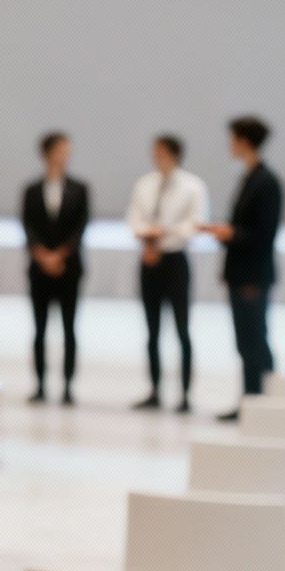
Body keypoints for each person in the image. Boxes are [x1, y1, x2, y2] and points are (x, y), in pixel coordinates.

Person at [201, 116, 285, 421]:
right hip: (242, 273)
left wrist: (231, 233)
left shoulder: (266, 181)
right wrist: (229, 232)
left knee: (254, 342)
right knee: (247, 341)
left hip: (252, 276)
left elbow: (264, 234)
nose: (230, 144)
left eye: (232, 138)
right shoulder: (251, 177)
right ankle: (254, 401)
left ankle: (263, 404)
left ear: (244, 141)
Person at [126, 134, 208, 414]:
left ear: (174, 154)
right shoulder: (144, 184)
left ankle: (185, 393)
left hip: (174, 259)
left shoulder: (192, 186)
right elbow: (134, 217)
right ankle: (154, 390)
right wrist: (147, 238)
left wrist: (163, 235)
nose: (156, 156)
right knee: (152, 330)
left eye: (161, 152)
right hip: (149, 259)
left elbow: (193, 224)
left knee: (182, 329)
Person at [20, 132, 88, 405]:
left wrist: (60, 254)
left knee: (70, 329)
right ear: (47, 153)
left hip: (69, 268)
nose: (65, 155)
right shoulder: (32, 190)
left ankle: (68, 384)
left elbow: (80, 226)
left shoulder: (79, 189)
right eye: (60, 150)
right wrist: (42, 254)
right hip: (39, 269)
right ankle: (39, 384)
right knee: (39, 329)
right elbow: (27, 226)